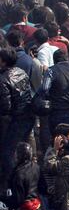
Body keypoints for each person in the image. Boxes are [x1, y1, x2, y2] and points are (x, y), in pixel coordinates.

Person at [0, 47, 35, 179]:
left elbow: (5, 106)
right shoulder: (20, 71)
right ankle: (28, 173)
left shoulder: (3, 79)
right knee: (23, 148)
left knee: (7, 153)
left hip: (15, 120)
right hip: (28, 115)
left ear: (3, 62)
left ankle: (13, 180)